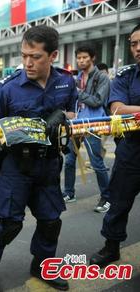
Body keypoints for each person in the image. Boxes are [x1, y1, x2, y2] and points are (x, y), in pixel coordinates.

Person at [0, 25, 77, 292]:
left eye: (35, 57)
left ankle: (42, 264)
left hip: (48, 164)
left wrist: (63, 117)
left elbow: (74, 115)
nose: (28, 63)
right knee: (10, 223)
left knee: (50, 220)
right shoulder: (8, 89)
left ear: (53, 55)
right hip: (16, 165)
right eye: (24, 56)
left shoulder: (66, 82)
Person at [89, 24, 140, 267]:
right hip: (131, 152)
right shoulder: (126, 76)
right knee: (118, 202)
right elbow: (117, 109)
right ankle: (111, 248)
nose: (137, 48)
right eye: (133, 43)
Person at [62, 44, 111, 213]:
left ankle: (107, 197)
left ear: (92, 58)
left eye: (84, 57)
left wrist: (77, 92)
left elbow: (97, 101)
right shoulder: (77, 78)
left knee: (96, 162)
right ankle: (69, 193)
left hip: (93, 123)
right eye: (79, 58)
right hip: (76, 123)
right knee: (69, 160)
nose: (81, 60)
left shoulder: (101, 78)